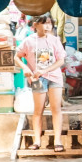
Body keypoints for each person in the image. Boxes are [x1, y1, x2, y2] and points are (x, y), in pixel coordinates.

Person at [14, 14, 68, 153]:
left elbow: (61, 60)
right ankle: (37, 140)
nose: (48, 26)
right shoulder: (28, 41)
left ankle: (57, 141)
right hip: (37, 79)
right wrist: (25, 68)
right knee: (38, 110)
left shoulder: (55, 40)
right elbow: (17, 57)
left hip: (54, 78)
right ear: (35, 25)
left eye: (50, 23)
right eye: (44, 23)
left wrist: (46, 70)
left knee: (56, 109)